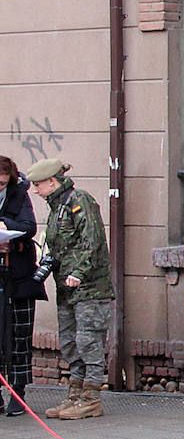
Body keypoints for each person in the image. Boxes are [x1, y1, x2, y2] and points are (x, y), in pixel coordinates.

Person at [27, 159, 114, 421]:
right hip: (67, 289)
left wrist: (79, 272)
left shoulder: (80, 201)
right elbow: (57, 246)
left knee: (89, 341)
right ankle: (75, 394)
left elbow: (93, 239)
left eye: (38, 184)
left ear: (52, 182)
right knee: (70, 342)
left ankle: (91, 398)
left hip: (89, 288)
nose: (35, 190)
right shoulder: (57, 208)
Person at [0, 156, 47, 416]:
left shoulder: (19, 194)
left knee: (19, 336)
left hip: (18, 277)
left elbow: (28, 226)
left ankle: (18, 392)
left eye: (2, 183)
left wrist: (5, 225)